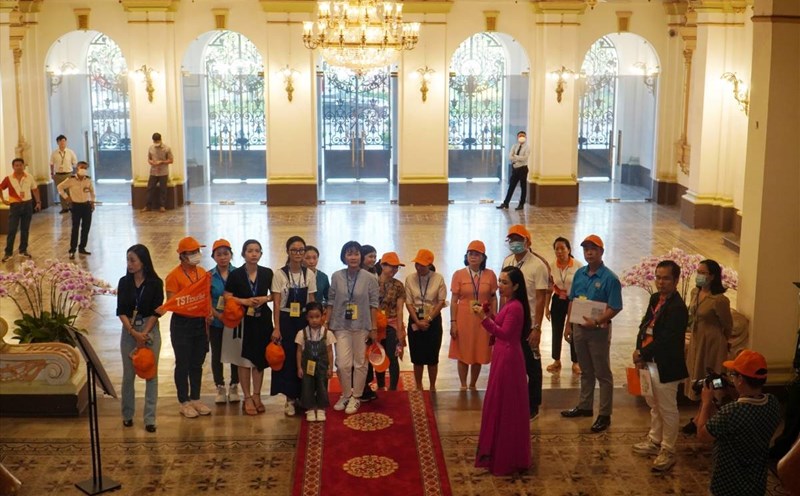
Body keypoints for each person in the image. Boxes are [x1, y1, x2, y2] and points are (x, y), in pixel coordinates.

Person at [695, 349, 782, 496]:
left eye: (733, 374)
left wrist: (706, 402)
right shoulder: (773, 402)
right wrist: (732, 390)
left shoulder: (732, 411)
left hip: (728, 485)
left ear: (740, 379)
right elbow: (749, 402)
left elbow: (703, 434)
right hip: (756, 483)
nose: (732, 378)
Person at [631, 260, 689, 472]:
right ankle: (654, 440)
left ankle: (668, 449)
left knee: (667, 408)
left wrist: (642, 353)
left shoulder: (677, 308)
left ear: (675, 281)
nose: (660, 282)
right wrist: (639, 350)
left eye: (665, 278)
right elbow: (645, 325)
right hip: (648, 361)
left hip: (666, 364)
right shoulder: (656, 298)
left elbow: (666, 340)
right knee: (653, 403)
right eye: (658, 277)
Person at [561, 234, 623, 433]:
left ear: (601, 252)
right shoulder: (579, 273)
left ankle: (605, 414)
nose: (589, 252)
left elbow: (615, 306)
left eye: (593, 249)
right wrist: (568, 325)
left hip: (598, 331)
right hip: (579, 328)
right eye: (586, 249)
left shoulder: (610, 279)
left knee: (602, 373)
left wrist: (597, 321)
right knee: (585, 370)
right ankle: (585, 406)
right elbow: (572, 300)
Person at [473, 266, 531, 475]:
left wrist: (483, 318)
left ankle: (506, 455)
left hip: (508, 358)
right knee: (499, 403)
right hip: (502, 354)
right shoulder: (510, 304)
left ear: (515, 286)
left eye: (504, 282)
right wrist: (490, 314)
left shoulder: (516, 307)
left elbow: (504, 333)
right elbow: (501, 323)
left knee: (505, 405)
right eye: (499, 280)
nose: (500, 285)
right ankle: (499, 452)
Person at [501, 225, 548, 419]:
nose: (515, 243)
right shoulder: (508, 261)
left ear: (527, 242)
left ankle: (533, 404)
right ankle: (513, 399)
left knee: (532, 365)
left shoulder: (538, 265)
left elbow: (539, 298)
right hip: (512, 320)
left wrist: (537, 327)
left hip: (528, 323)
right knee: (511, 363)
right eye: (511, 240)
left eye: (518, 239)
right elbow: (503, 290)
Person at [327, 241, 379, 415]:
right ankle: (346, 394)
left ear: (360, 256)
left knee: (360, 363)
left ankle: (356, 396)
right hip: (340, 325)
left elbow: (373, 304)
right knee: (342, 363)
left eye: (356, 254)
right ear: (344, 257)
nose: (353, 257)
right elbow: (331, 301)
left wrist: (374, 328)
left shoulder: (370, 278)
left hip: (362, 325)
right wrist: (327, 323)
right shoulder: (336, 276)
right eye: (349, 254)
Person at [682, 259, 734, 434]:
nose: (699, 275)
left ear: (712, 276)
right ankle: (700, 417)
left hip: (713, 344)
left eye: (703, 273)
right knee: (697, 378)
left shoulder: (720, 300)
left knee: (712, 380)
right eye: (699, 271)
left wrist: (722, 342)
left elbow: (727, 325)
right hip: (697, 342)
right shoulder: (694, 293)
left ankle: (704, 419)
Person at [223, 239, 274, 415]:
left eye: (257, 251)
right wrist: (244, 301)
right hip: (243, 322)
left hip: (262, 320)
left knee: (259, 361)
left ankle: (257, 395)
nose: (253, 254)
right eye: (250, 250)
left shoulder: (267, 273)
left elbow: (275, 295)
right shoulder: (236, 274)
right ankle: (247, 397)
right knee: (244, 361)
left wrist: (265, 299)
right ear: (243, 254)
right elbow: (227, 296)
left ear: (261, 254)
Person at [116, 244, 163, 433]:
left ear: (143, 262)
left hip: (149, 329)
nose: (129, 264)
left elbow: (157, 311)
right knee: (129, 375)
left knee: (151, 374)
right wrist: (133, 332)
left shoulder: (155, 283)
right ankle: (127, 414)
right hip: (129, 331)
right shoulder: (124, 282)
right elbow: (121, 311)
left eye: (133, 260)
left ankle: (150, 418)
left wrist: (144, 333)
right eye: (127, 260)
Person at [164, 236, 212, 418]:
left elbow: (206, 295)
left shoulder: (202, 273)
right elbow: (172, 302)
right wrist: (190, 303)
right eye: (191, 253)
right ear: (182, 256)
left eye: (197, 252)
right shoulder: (173, 276)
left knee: (197, 362)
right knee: (182, 363)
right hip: (182, 324)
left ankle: (196, 398)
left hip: (200, 323)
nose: (195, 255)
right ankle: (183, 401)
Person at [271, 236, 316, 416]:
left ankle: (303, 396)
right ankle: (289, 399)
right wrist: (277, 327)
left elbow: (311, 301)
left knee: (304, 357)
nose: (298, 253)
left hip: (303, 319)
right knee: (289, 358)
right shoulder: (279, 274)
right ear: (288, 252)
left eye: (301, 250)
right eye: (294, 250)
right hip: (286, 319)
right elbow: (276, 303)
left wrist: (314, 324)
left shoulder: (310, 274)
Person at [449, 240, 497, 391]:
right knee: (463, 351)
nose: (473, 257)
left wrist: (494, 317)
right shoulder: (459, 275)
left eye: (477, 254)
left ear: (483, 257)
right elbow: (454, 300)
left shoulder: (490, 275)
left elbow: (493, 297)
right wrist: (453, 322)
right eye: (470, 254)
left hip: (483, 320)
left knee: (478, 351)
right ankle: (463, 384)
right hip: (464, 319)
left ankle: (473, 384)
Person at [405, 249, 447, 392]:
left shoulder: (438, 278)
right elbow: (408, 302)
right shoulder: (410, 278)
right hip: (415, 318)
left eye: (422, 265)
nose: (418, 267)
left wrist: (428, 319)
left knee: (432, 356)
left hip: (433, 319)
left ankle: (433, 386)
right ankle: (418, 385)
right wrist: (417, 321)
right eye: (417, 264)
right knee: (417, 356)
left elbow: (441, 302)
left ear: (429, 265)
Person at [208, 239, 239, 404]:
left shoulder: (239, 273)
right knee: (217, 354)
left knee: (234, 354)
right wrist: (219, 316)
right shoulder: (209, 276)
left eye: (226, 254)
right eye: (218, 254)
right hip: (217, 322)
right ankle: (220, 385)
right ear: (213, 257)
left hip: (235, 322)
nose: (223, 257)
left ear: (231, 255)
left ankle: (234, 384)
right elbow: (206, 300)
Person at [546, 237, 583, 375]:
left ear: (569, 250)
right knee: (556, 330)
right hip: (557, 300)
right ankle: (556, 360)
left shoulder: (578, 266)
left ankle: (576, 361)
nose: (560, 252)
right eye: (557, 249)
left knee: (574, 330)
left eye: (563, 248)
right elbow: (549, 287)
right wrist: (546, 307)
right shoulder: (551, 266)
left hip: (574, 300)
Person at [296, 302, 336, 422]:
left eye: (317, 317)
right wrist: (299, 367)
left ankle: (321, 408)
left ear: (322, 316)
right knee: (307, 386)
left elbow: (330, 352)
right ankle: (310, 408)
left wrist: (330, 367)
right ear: (307, 318)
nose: (314, 320)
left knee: (321, 385)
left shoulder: (327, 334)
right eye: (311, 317)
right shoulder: (302, 333)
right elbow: (299, 352)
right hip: (307, 365)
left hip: (322, 366)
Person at [376, 251, 407, 391]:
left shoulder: (399, 286)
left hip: (392, 324)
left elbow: (400, 309)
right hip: (376, 325)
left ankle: (393, 388)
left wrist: (400, 330)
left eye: (396, 267)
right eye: (391, 266)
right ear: (382, 265)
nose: (394, 270)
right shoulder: (371, 282)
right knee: (378, 355)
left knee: (392, 356)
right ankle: (381, 385)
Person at [1, 158, 41, 262]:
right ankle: (8, 253)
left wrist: (38, 202)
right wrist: (3, 200)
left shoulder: (29, 177)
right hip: (15, 206)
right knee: (12, 230)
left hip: (27, 205)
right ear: (13, 167)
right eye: (16, 165)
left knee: (25, 229)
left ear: (24, 166)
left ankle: (23, 250)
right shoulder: (8, 178)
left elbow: (35, 189)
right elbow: (0, 188)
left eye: (20, 165)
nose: (18, 167)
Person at [56, 161, 95, 259]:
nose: (83, 169)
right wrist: (66, 197)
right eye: (82, 167)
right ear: (77, 168)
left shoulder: (88, 180)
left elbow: (92, 191)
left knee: (86, 228)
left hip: (86, 206)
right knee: (75, 228)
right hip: (76, 206)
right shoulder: (71, 179)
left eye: (85, 168)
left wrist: (92, 202)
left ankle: (82, 247)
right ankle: (72, 250)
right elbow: (60, 187)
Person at [359, 243, 380, 401]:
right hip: (356, 320)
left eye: (375, 256)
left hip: (369, 319)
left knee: (368, 354)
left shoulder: (374, 274)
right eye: (370, 256)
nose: (373, 259)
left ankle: (365, 386)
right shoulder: (355, 274)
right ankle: (358, 387)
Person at [496, 131, 530, 211]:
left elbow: (525, 158)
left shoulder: (527, 147)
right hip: (515, 169)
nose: (521, 137)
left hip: (523, 169)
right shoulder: (514, 146)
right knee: (511, 186)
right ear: (517, 137)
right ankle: (506, 203)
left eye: (523, 136)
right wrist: (517, 157)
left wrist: (515, 156)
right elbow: (510, 157)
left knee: (523, 187)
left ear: (525, 138)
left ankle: (521, 204)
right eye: (520, 136)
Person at [144, 132, 173, 212]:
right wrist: (151, 162)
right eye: (155, 142)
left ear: (160, 140)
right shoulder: (151, 148)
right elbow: (149, 159)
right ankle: (148, 206)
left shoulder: (167, 148)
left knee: (163, 189)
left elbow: (171, 160)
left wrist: (162, 162)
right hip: (153, 172)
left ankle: (162, 206)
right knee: (150, 188)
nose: (156, 143)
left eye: (157, 141)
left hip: (163, 172)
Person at [49, 134, 77, 213]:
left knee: (69, 191)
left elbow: (75, 163)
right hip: (58, 175)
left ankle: (71, 206)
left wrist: (74, 173)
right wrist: (52, 173)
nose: (62, 143)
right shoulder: (54, 153)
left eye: (64, 141)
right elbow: (51, 164)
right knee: (61, 191)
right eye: (60, 141)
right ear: (57, 143)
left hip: (68, 174)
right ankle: (64, 207)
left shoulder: (70, 152)